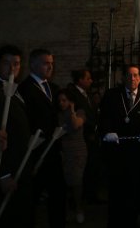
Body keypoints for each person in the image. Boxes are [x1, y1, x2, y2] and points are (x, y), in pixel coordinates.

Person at [99, 64, 140, 228]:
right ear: (123, 78)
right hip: (118, 151)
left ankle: (136, 219)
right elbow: (104, 116)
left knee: (138, 188)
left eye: (136, 75)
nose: (132, 78)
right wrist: (107, 132)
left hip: (138, 152)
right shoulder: (112, 95)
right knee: (118, 190)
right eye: (129, 75)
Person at [17, 48, 66, 228]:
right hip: (35, 151)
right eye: (46, 63)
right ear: (33, 64)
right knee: (32, 197)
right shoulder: (24, 89)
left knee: (58, 194)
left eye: (52, 63)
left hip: (52, 151)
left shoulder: (53, 88)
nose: (50, 67)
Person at [0, 45, 33, 228]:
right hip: (6, 167)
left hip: (20, 163)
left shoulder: (16, 89)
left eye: (17, 64)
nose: (12, 68)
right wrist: (3, 175)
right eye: (7, 63)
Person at [67, 69, 101, 204]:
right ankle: (78, 198)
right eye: (88, 78)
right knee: (81, 168)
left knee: (91, 166)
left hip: (91, 136)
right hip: (82, 136)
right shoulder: (74, 95)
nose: (90, 81)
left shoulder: (86, 94)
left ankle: (90, 194)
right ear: (80, 80)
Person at [57, 89, 87, 224]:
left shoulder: (79, 112)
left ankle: (79, 209)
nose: (61, 103)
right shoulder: (59, 115)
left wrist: (73, 110)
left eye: (64, 100)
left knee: (76, 181)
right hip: (65, 151)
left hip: (78, 151)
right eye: (60, 101)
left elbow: (75, 124)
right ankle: (71, 210)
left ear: (70, 101)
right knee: (67, 181)